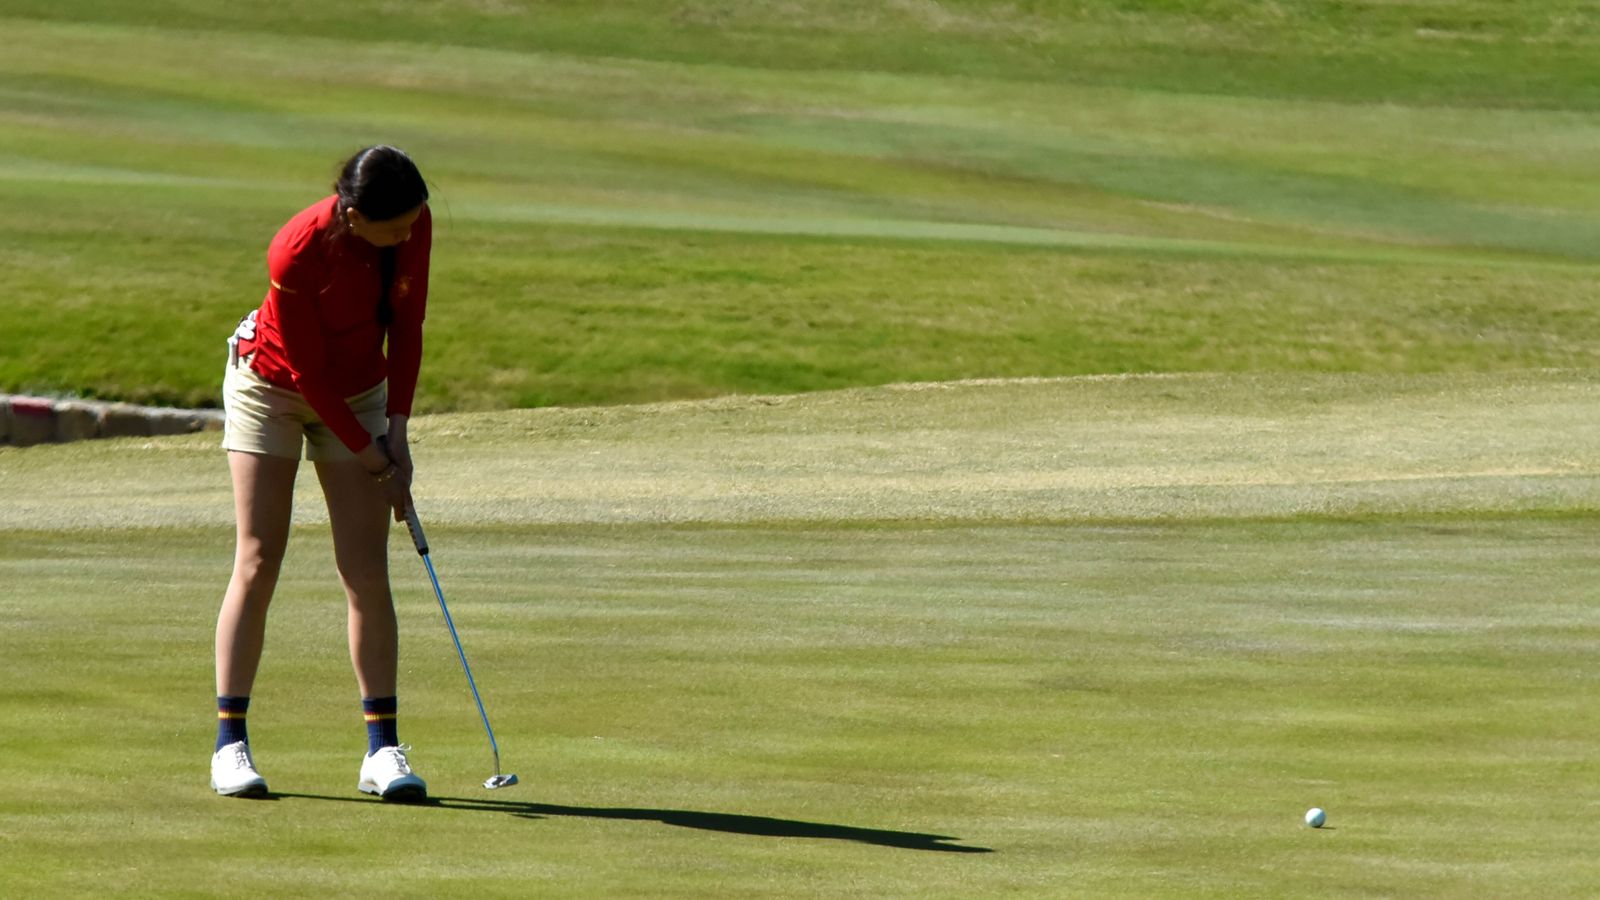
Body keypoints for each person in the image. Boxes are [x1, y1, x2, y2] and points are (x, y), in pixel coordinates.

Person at [210, 146, 433, 801]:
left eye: (414, 223)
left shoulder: (412, 222)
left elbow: (409, 327)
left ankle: (382, 751)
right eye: (395, 228)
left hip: (361, 389)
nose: (409, 235)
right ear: (354, 216)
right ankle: (229, 746)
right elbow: (307, 374)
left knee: (365, 567)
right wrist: (372, 458)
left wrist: (397, 433)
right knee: (259, 557)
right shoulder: (296, 250)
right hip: (269, 388)